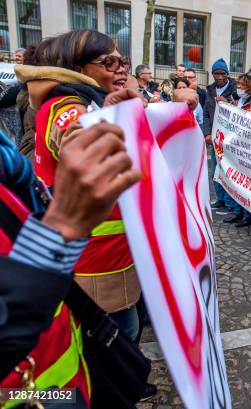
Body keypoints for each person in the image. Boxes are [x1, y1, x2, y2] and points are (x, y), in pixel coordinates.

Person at [0, 119, 140, 407]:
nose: (118, 70)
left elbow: (21, 213)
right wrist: (59, 230)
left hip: (61, 383)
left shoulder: (5, 156)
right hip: (21, 394)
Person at [15, 29, 142, 342]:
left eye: (122, 60)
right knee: (116, 340)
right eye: (108, 62)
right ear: (79, 68)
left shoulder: (88, 100)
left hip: (102, 254)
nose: (121, 68)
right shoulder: (67, 104)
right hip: (93, 260)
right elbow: (76, 136)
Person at [224, 70, 251, 228]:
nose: (238, 88)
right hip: (236, 147)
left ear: (250, 87)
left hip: (248, 150)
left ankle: (246, 215)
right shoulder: (239, 101)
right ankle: (237, 211)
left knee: (245, 183)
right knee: (234, 180)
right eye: (238, 85)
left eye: (242, 85)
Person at [203, 58, 238, 212]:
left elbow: (240, 111)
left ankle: (230, 202)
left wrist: (228, 103)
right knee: (215, 170)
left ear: (227, 74)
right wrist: (207, 133)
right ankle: (219, 199)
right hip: (215, 136)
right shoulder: (209, 90)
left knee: (228, 170)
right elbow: (205, 114)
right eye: (216, 73)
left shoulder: (236, 89)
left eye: (222, 73)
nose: (219, 77)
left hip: (229, 137)